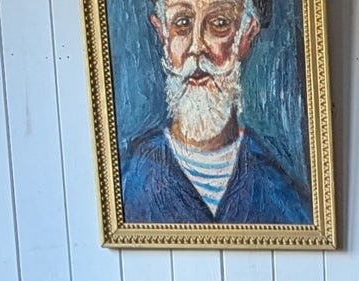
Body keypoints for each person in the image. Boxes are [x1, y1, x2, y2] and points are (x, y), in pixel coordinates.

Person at [120, 0, 311, 226]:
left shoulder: (282, 196)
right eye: (182, 23)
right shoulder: (129, 179)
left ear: (247, 34)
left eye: (220, 23)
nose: (197, 47)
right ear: (162, 33)